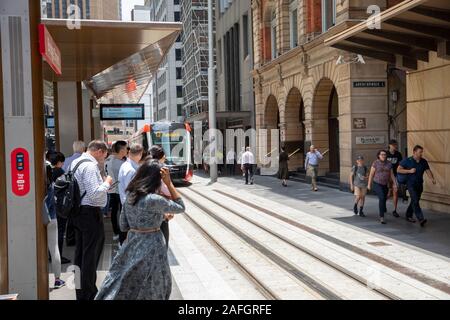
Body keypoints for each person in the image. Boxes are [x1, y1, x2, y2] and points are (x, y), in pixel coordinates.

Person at [95, 160, 185, 300]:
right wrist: (169, 183)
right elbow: (180, 206)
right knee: (156, 283)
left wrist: (159, 217)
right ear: (156, 178)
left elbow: (123, 225)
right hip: (153, 246)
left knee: (124, 281)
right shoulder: (154, 199)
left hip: (132, 243)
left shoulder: (130, 195)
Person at [70, 140, 113, 300]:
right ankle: (89, 294)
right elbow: (95, 194)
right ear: (100, 151)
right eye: (104, 155)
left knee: (80, 255)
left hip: (77, 213)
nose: (104, 159)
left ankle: (81, 293)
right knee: (90, 256)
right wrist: (107, 183)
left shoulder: (75, 162)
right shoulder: (89, 166)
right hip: (89, 214)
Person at [397, 145, 436, 227]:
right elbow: (398, 169)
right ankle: (421, 218)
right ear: (414, 152)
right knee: (415, 199)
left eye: (422, 152)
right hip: (410, 184)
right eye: (420, 152)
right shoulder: (407, 160)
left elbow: (427, 170)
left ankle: (408, 214)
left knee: (415, 201)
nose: (421, 154)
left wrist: (432, 178)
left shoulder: (423, 161)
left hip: (419, 184)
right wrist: (409, 171)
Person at [149, 146, 175, 250]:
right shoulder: (160, 170)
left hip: (153, 208)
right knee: (163, 238)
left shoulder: (146, 167)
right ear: (160, 156)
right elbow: (165, 190)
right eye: (164, 154)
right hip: (160, 208)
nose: (165, 156)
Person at [118, 143, 144, 244]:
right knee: (128, 234)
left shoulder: (125, 165)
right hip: (131, 206)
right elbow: (132, 192)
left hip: (126, 203)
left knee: (126, 232)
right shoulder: (131, 170)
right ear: (140, 154)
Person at [48, 152, 71, 264]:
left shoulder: (48, 170)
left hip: (50, 204)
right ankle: (58, 256)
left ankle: (50, 254)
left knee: (52, 231)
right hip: (60, 205)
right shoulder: (60, 172)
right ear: (59, 162)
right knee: (60, 232)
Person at [45, 160, 65, 289]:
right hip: (52, 219)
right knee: (54, 248)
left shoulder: (35, 186)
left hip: (37, 221)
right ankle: (57, 279)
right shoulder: (50, 185)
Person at [105, 141, 127, 243]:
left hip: (110, 189)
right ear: (122, 150)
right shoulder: (120, 164)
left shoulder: (108, 159)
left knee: (114, 211)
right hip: (118, 190)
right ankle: (121, 235)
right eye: (126, 149)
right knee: (121, 212)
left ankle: (116, 232)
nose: (127, 150)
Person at [368, 150, 398, 225]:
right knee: (381, 197)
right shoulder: (375, 163)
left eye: (384, 154)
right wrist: (369, 184)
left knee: (385, 197)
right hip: (377, 183)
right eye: (382, 154)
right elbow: (371, 174)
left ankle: (383, 207)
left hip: (385, 184)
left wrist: (395, 183)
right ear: (378, 155)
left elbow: (392, 174)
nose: (383, 156)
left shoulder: (389, 163)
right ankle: (382, 217)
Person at [386, 139, 403, 218]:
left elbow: (400, 164)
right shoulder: (385, 154)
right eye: (393, 145)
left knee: (395, 191)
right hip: (386, 176)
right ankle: (383, 205)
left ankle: (394, 210)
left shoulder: (398, 154)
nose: (395, 146)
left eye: (396, 145)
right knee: (387, 193)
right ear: (389, 145)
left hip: (395, 175)